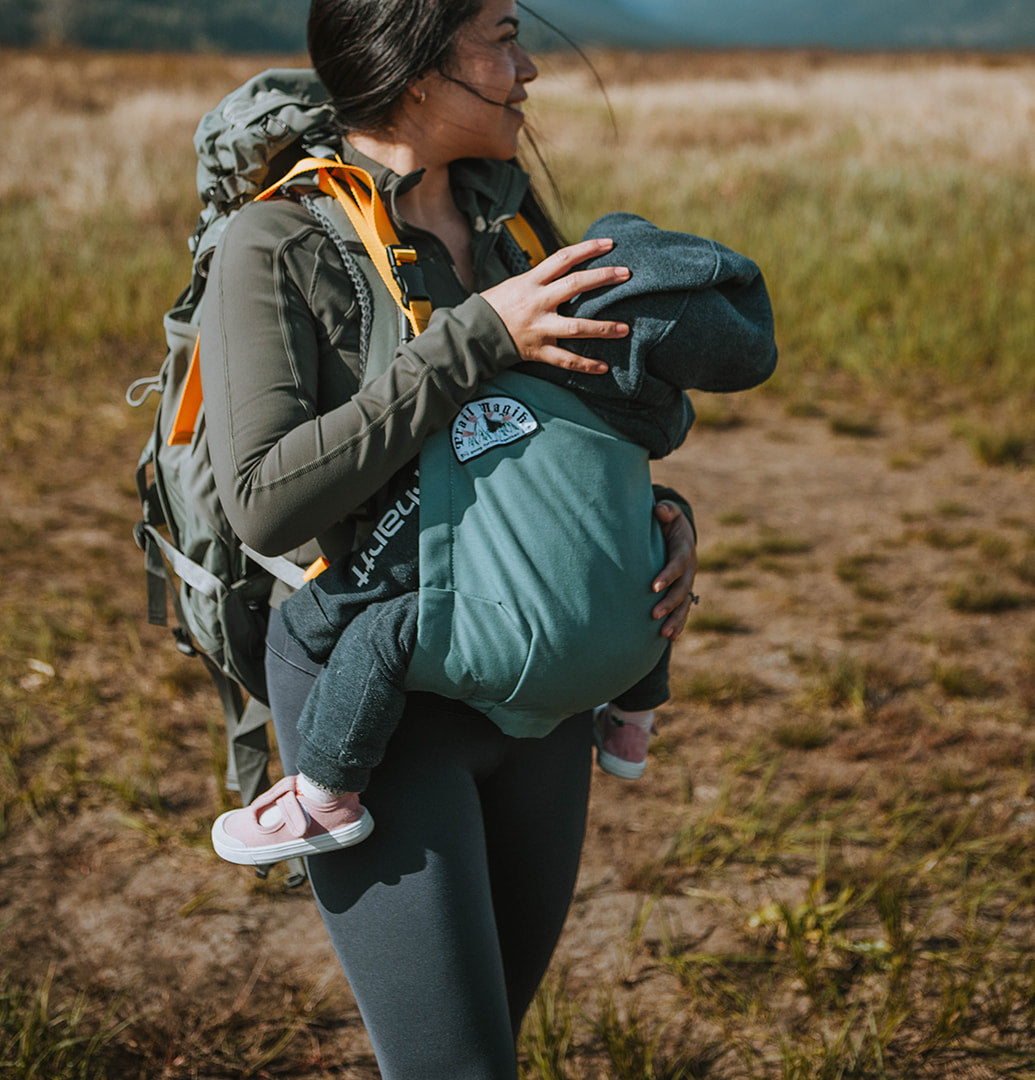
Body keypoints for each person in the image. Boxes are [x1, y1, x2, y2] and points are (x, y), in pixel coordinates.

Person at [199, 0, 699, 1080]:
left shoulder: (510, 223)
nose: (526, 69)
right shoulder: (276, 246)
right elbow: (265, 501)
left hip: (539, 694)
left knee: (486, 1049)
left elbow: (564, 431)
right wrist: (475, 336)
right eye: (502, 39)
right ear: (421, 64)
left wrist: (660, 522)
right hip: (380, 710)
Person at [210, 212, 777, 868]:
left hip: (485, 641)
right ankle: (630, 727)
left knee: (345, 625)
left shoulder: (510, 221)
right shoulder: (647, 399)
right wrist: (663, 519)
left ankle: (323, 799)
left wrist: (477, 336)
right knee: (638, 590)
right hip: (622, 654)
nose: (524, 101)